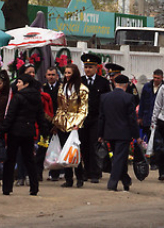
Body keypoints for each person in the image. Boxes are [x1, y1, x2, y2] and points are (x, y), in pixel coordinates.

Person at [1, 74, 50, 196]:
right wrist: (44, 131)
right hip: (28, 132)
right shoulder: (37, 98)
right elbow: (40, 116)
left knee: (10, 160)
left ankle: (7, 187)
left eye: (19, 82)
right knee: (29, 160)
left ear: (26, 84)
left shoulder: (17, 97)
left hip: (15, 132)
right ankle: (34, 187)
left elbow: (10, 116)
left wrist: (1, 131)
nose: (17, 84)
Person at [99, 74, 138, 192]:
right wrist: (136, 135)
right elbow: (132, 119)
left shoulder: (104, 97)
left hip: (109, 132)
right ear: (126, 85)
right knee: (119, 158)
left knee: (119, 158)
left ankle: (125, 180)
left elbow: (101, 117)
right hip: (123, 133)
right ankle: (113, 182)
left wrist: (100, 134)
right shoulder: (128, 98)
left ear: (115, 84)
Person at [52, 63, 89, 188]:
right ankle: (68, 179)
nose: (67, 75)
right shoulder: (62, 87)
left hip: (75, 125)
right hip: (62, 122)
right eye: (66, 73)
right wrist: (56, 123)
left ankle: (79, 177)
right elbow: (59, 106)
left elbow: (83, 110)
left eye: (69, 73)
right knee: (64, 152)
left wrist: (76, 124)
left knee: (74, 151)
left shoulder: (82, 89)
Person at [80, 53, 111, 184]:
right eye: (86, 67)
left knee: (94, 145)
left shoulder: (103, 83)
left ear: (96, 68)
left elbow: (106, 102)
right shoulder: (80, 81)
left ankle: (95, 173)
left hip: (96, 118)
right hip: (82, 119)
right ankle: (86, 171)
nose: (88, 69)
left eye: (90, 67)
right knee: (84, 145)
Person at [41, 68, 61, 181]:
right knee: (44, 147)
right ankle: (41, 172)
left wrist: (57, 123)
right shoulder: (43, 88)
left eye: (53, 74)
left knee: (57, 148)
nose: (51, 77)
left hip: (58, 121)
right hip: (46, 121)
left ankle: (56, 173)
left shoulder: (61, 88)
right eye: (49, 75)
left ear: (57, 76)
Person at [138, 69, 164, 133]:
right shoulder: (147, 86)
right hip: (147, 117)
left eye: (158, 78)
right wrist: (140, 117)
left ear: (162, 78)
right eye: (154, 77)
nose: (156, 80)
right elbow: (142, 102)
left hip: (159, 119)